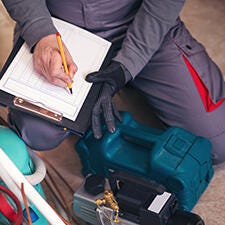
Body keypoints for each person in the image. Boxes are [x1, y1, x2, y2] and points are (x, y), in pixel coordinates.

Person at [2, 0, 225, 165]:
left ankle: (133, 83)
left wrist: (128, 65)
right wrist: (40, 31)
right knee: (37, 134)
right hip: (58, 28)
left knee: (216, 144)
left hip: (140, 24)